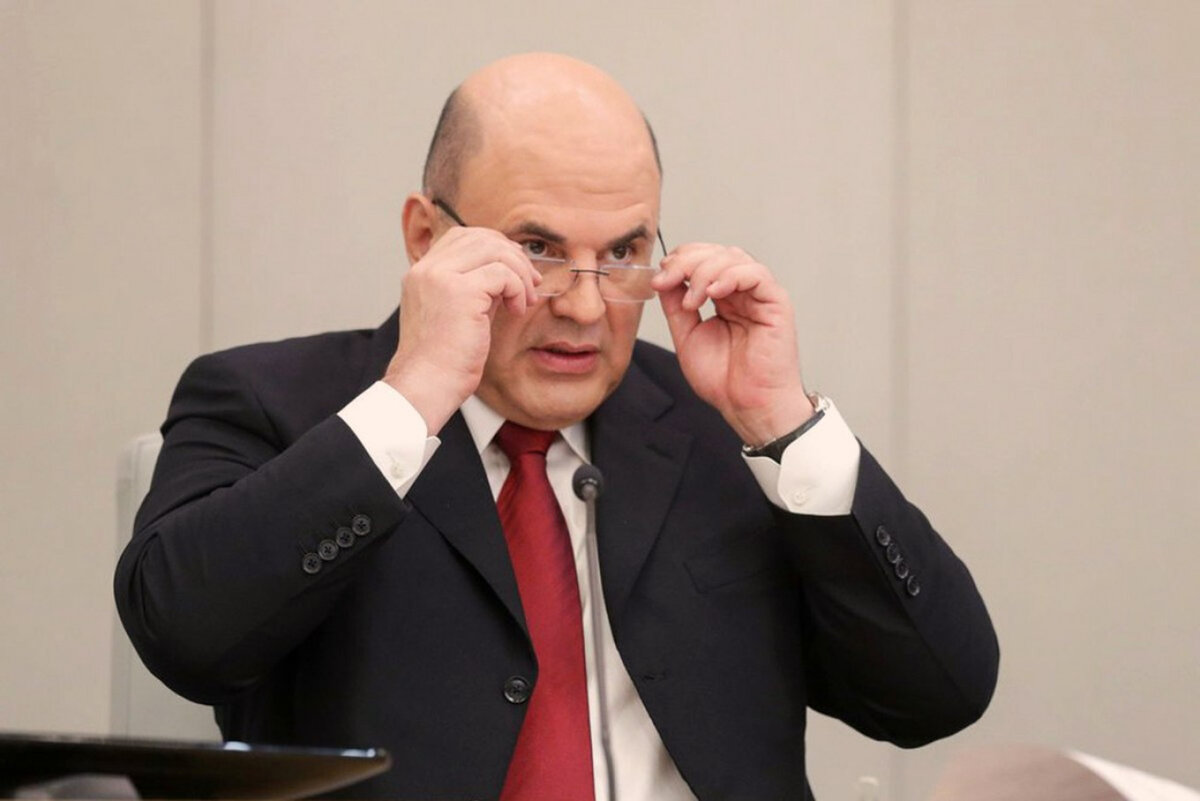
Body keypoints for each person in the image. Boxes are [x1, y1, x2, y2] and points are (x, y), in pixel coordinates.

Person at [115, 53, 999, 801]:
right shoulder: (271, 401)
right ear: (425, 237)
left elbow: (938, 694)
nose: (583, 307)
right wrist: (413, 398)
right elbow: (186, 637)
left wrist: (785, 426)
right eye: (537, 249)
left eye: (622, 253)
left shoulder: (721, 432)